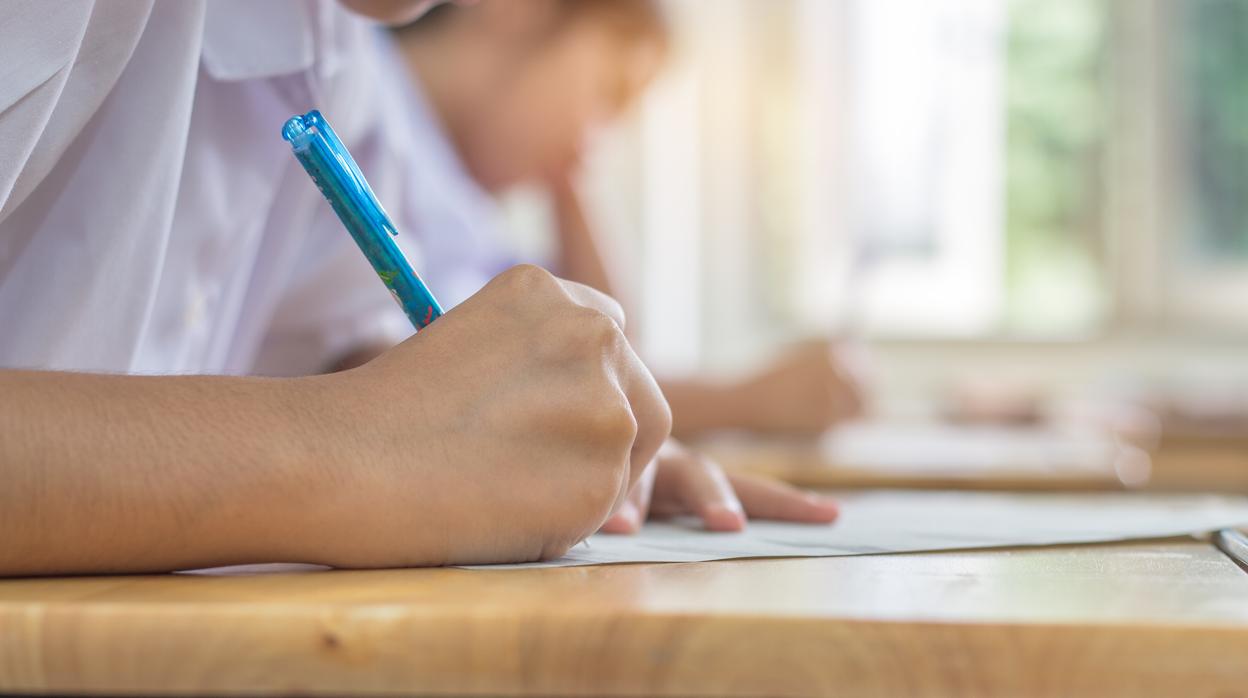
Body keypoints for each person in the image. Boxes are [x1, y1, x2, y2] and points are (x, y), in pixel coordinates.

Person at [0, 0, 835, 577]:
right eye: (608, 95)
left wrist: (527, 426)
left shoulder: (328, 48)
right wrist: (359, 447)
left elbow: (336, 331)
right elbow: (365, 422)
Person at [387, 0, 867, 439]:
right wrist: (748, 401)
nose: (592, 140)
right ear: (521, 10)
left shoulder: (460, 198)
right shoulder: (374, 132)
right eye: (607, 94)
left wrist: (566, 180)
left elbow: (604, 352)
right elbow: (499, 390)